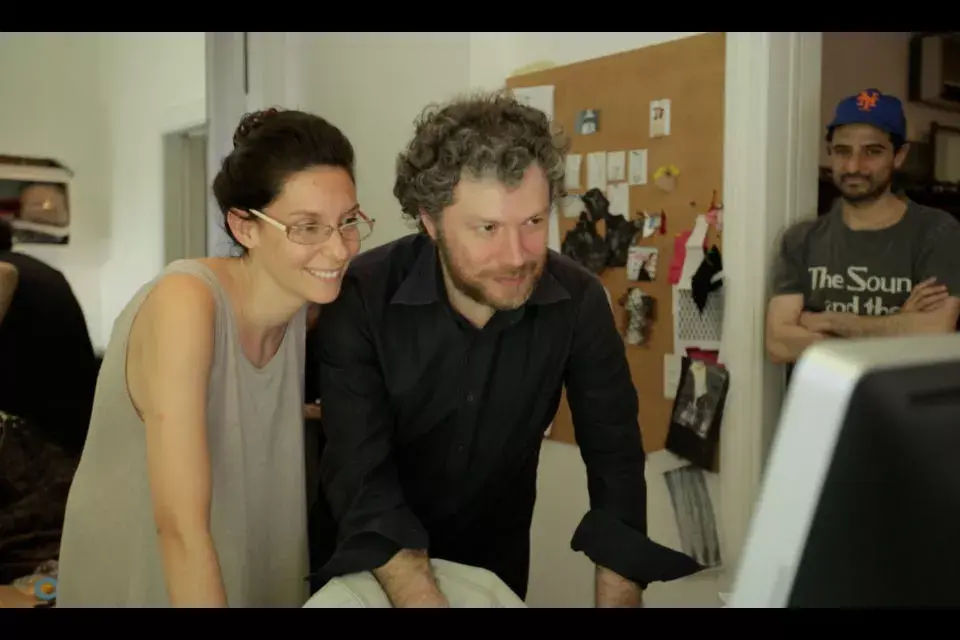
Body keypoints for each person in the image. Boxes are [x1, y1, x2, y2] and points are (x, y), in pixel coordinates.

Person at [314, 91, 700, 608]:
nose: (516, 256)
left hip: (492, 566)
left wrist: (619, 591)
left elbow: (615, 455)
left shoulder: (578, 301)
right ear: (430, 221)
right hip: (369, 572)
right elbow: (359, 469)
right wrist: (420, 597)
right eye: (488, 228)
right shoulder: (362, 295)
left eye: (534, 223)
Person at [56, 107, 374, 607]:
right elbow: (181, 529)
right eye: (307, 227)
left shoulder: (298, 303)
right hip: (150, 575)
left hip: (240, 560)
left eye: (347, 222)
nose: (338, 249)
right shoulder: (186, 302)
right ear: (244, 227)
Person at [766, 88, 960, 366]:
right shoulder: (801, 239)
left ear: (899, 155)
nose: (854, 166)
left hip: (902, 396)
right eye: (842, 151)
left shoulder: (937, 232)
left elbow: (935, 331)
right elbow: (779, 344)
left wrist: (838, 323)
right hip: (821, 396)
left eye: (872, 151)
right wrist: (900, 323)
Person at [0, 217, 96, 454]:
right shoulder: (37, 270)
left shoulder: (7, 270)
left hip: (44, 445)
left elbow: (4, 274)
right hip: (69, 438)